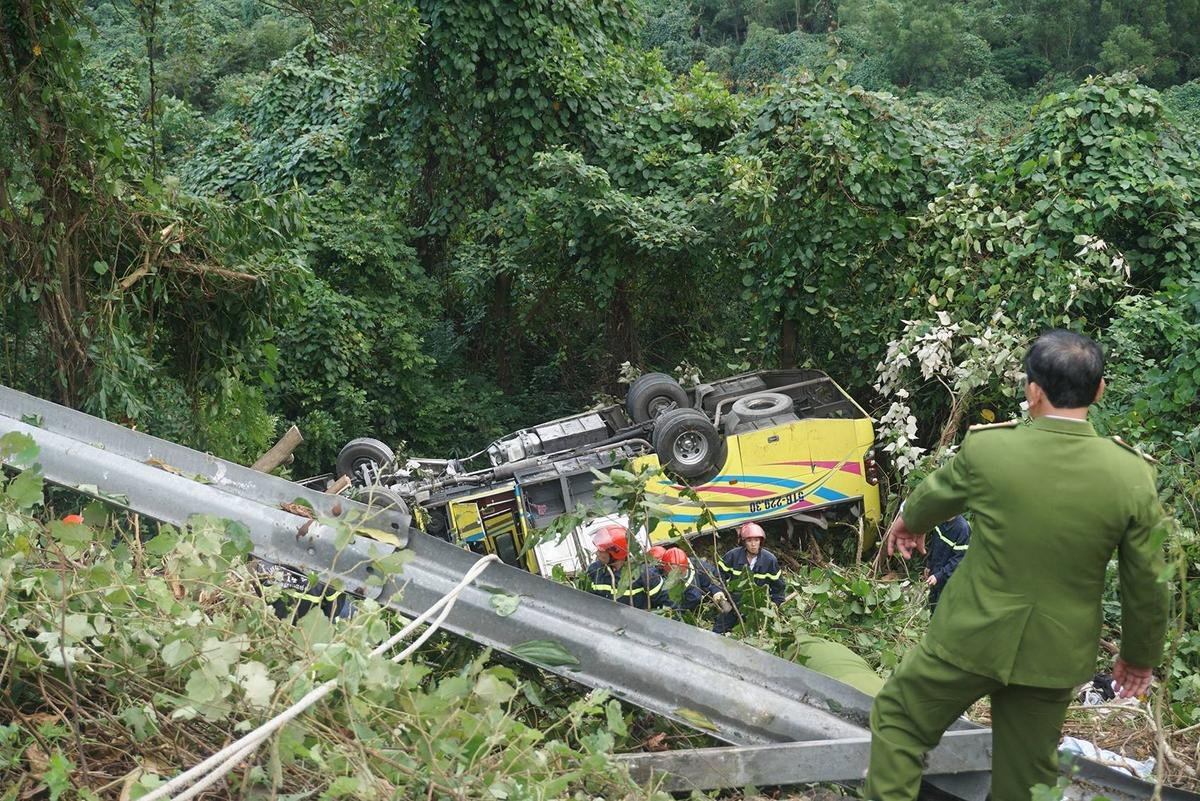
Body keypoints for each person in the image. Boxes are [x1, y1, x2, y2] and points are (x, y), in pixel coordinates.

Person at [864, 330, 1169, 801]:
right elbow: (1147, 582)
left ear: (1033, 390)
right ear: (1100, 390)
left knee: (900, 721)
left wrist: (908, 522)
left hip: (969, 637)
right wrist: (1138, 657)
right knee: (1025, 781)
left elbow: (934, 497)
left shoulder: (992, 450)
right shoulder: (1132, 475)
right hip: (1054, 654)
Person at [715, 521, 786, 633]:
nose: (753, 544)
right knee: (718, 631)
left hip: (756, 607)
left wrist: (775, 604)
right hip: (734, 603)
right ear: (743, 542)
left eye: (756, 540)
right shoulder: (732, 556)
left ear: (761, 542)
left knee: (753, 637)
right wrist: (720, 593)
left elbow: (779, 587)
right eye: (749, 541)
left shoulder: (770, 560)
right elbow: (718, 576)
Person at [585, 525, 665, 610]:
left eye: (601, 550)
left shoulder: (646, 575)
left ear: (616, 553)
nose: (597, 553)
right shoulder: (595, 570)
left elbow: (667, 605)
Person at [658, 546, 730, 613]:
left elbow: (717, 577)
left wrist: (717, 591)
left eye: (680, 573)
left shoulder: (700, 568)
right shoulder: (660, 571)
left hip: (700, 602)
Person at [923, 515, 970, 610]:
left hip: (948, 580)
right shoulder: (940, 519)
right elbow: (934, 544)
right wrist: (929, 565)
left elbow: (958, 560)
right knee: (932, 603)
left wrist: (939, 576)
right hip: (935, 572)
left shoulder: (963, 529)